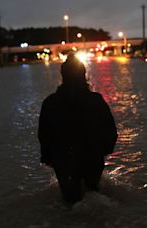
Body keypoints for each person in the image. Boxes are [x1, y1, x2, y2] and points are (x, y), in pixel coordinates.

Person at [38, 54, 118, 204]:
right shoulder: (96, 100)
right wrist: (104, 150)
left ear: (62, 76)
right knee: (95, 196)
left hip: (64, 160)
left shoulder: (50, 103)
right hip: (93, 158)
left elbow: (44, 136)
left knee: (70, 203)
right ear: (84, 75)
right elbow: (110, 131)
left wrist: (48, 158)